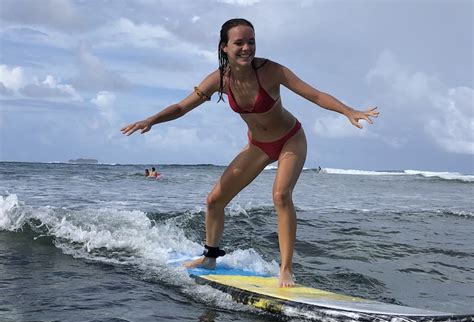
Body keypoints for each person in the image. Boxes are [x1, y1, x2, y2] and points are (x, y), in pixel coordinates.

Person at [121, 18, 379, 287]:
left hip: (291, 139)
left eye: (251, 42)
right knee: (214, 200)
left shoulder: (271, 71)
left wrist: (348, 111)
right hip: (258, 145)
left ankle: (286, 269)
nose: (247, 48)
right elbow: (182, 107)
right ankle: (209, 257)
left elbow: (314, 95)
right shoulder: (218, 80)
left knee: (280, 195)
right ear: (224, 47)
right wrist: (151, 119)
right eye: (239, 43)